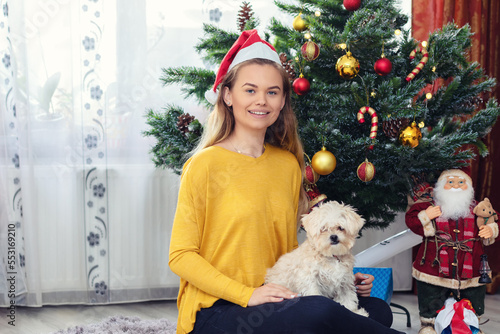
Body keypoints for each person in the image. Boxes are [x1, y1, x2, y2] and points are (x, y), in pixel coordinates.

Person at [169, 29, 402, 334]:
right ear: (228, 96)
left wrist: (333, 271)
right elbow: (181, 256)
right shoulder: (204, 165)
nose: (261, 101)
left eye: (272, 91)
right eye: (250, 90)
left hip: (277, 294)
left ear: (282, 101)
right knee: (322, 312)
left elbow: (291, 251)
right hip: (220, 309)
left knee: (376, 309)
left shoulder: (286, 165)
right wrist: (248, 294)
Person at [405, 169, 499, 334]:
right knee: (431, 295)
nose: (456, 185)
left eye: (461, 182)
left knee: (473, 296)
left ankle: (471, 324)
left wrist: (491, 229)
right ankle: (428, 325)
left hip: (471, 265)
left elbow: (495, 218)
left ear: (468, 187)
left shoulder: (479, 208)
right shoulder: (430, 205)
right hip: (434, 265)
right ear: (441, 186)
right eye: (451, 182)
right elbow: (411, 220)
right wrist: (425, 215)